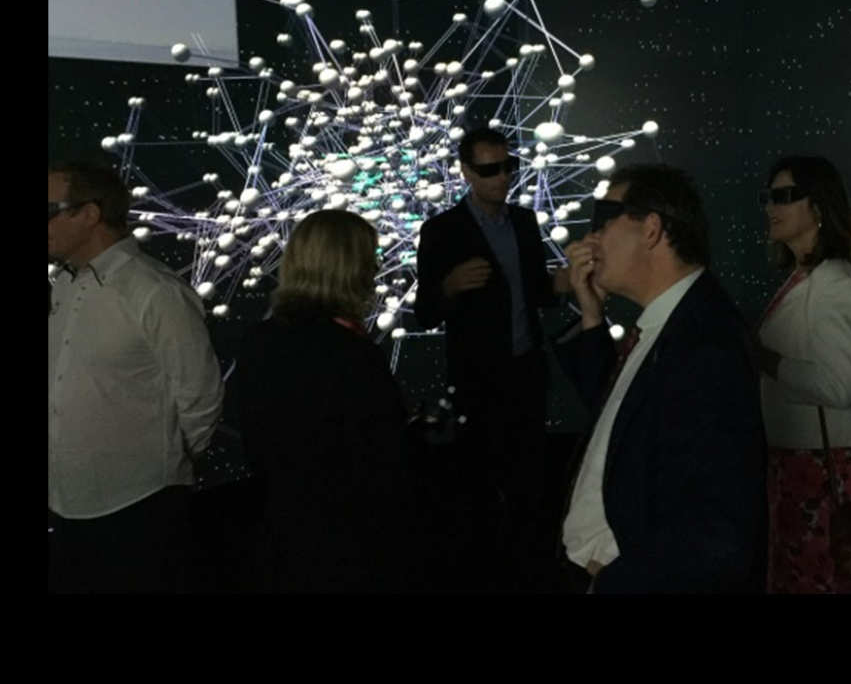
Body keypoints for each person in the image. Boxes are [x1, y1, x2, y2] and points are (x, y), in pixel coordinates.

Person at [557, 163, 768, 593]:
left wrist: (614, 583)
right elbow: (619, 423)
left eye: (604, 219)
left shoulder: (703, 343)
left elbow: (715, 534)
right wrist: (593, 316)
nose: (590, 239)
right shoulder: (671, 324)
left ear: (651, 229)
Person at [48, 161, 223, 592]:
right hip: (67, 503)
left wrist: (166, 467)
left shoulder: (154, 291)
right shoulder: (64, 284)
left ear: (90, 214)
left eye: (50, 210)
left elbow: (200, 396)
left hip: (140, 505)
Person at [228, 209, 425, 592]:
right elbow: (381, 456)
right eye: (369, 258)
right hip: (352, 537)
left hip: (284, 526)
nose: (376, 268)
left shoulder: (259, 339)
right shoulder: (351, 352)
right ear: (348, 268)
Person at [414, 127, 572, 591]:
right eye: (489, 169)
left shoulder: (523, 221)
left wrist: (568, 281)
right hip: (477, 380)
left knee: (529, 482)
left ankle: (528, 569)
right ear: (465, 172)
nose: (502, 177)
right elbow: (425, 312)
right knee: (479, 483)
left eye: (508, 166)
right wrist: (448, 287)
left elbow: (538, 292)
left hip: (526, 371)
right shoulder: (442, 231)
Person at [753, 155, 851, 594]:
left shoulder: (835, 281)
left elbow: (837, 386)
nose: (772, 206)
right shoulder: (806, 279)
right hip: (799, 464)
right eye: (768, 197)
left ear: (819, 206)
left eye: (784, 196)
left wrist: (763, 359)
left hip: (820, 469)